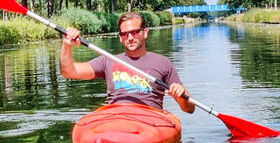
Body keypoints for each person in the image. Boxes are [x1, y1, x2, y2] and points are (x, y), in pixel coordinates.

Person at [59, 12, 195, 113]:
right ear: (120, 38)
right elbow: (68, 71)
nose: (129, 38)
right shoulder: (108, 60)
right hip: (117, 119)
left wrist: (182, 95)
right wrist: (66, 44)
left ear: (145, 33)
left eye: (135, 32)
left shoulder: (163, 62)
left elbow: (189, 109)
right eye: (124, 34)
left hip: (151, 122)